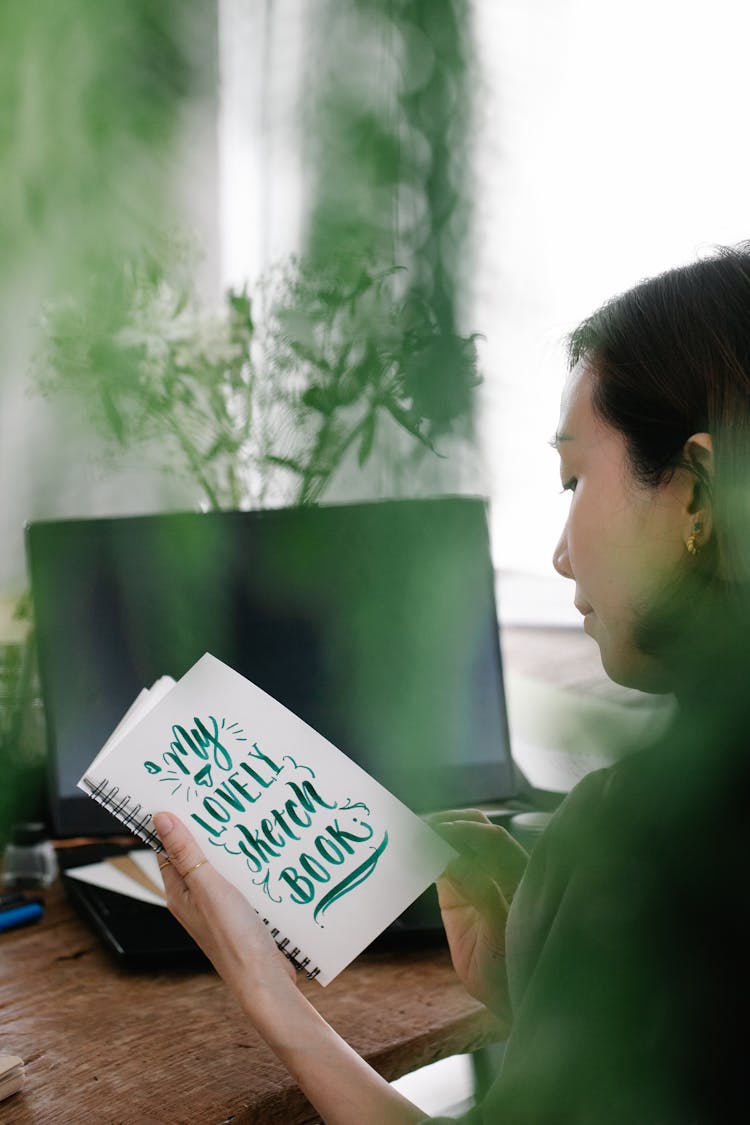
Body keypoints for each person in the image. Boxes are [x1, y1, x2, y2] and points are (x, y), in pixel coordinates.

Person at [154, 243, 750, 1123]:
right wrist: (547, 985)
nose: (557, 552)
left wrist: (269, 994)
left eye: (575, 478)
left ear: (699, 493)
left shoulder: (651, 826)